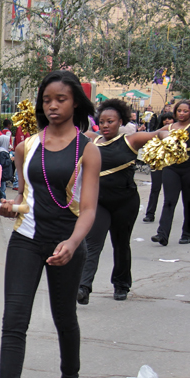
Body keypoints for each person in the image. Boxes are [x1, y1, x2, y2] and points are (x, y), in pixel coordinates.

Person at [0, 70, 100, 378]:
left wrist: (72, 243)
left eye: (61, 99)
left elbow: (89, 209)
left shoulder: (88, 150)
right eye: (46, 100)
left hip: (66, 242)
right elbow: (24, 196)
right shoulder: (25, 147)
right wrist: (11, 207)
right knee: (14, 322)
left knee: (64, 317)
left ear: (75, 102)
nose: (53, 106)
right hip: (25, 241)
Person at [78, 99, 162, 304]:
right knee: (92, 243)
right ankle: (83, 287)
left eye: (111, 121)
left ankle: (121, 284)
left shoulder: (131, 140)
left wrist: (167, 137)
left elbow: (159, 133)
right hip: (98, 202)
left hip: (125, 202)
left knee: (121, 243)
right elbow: (67, 133)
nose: (105, 125)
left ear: (121, 122)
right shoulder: (91, 140)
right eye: (102, 122)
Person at [152, 100, 190, 245]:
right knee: (169, 201)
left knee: (188, 201)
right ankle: (162, 234)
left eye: (185, 111)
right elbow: (153, 135)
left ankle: (187, 234)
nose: (181, 113)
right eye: (179, 111)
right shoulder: (169, 127)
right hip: (171, 167)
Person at [142, 111, 174, 223]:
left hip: (171, 165)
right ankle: (150, 214)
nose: (167, 121)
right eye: (165, 119)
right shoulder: (157, 133)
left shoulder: (179, 134)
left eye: (170, 119)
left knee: (169, 191)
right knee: (155, 188)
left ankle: (167, 216)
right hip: (158, 163)